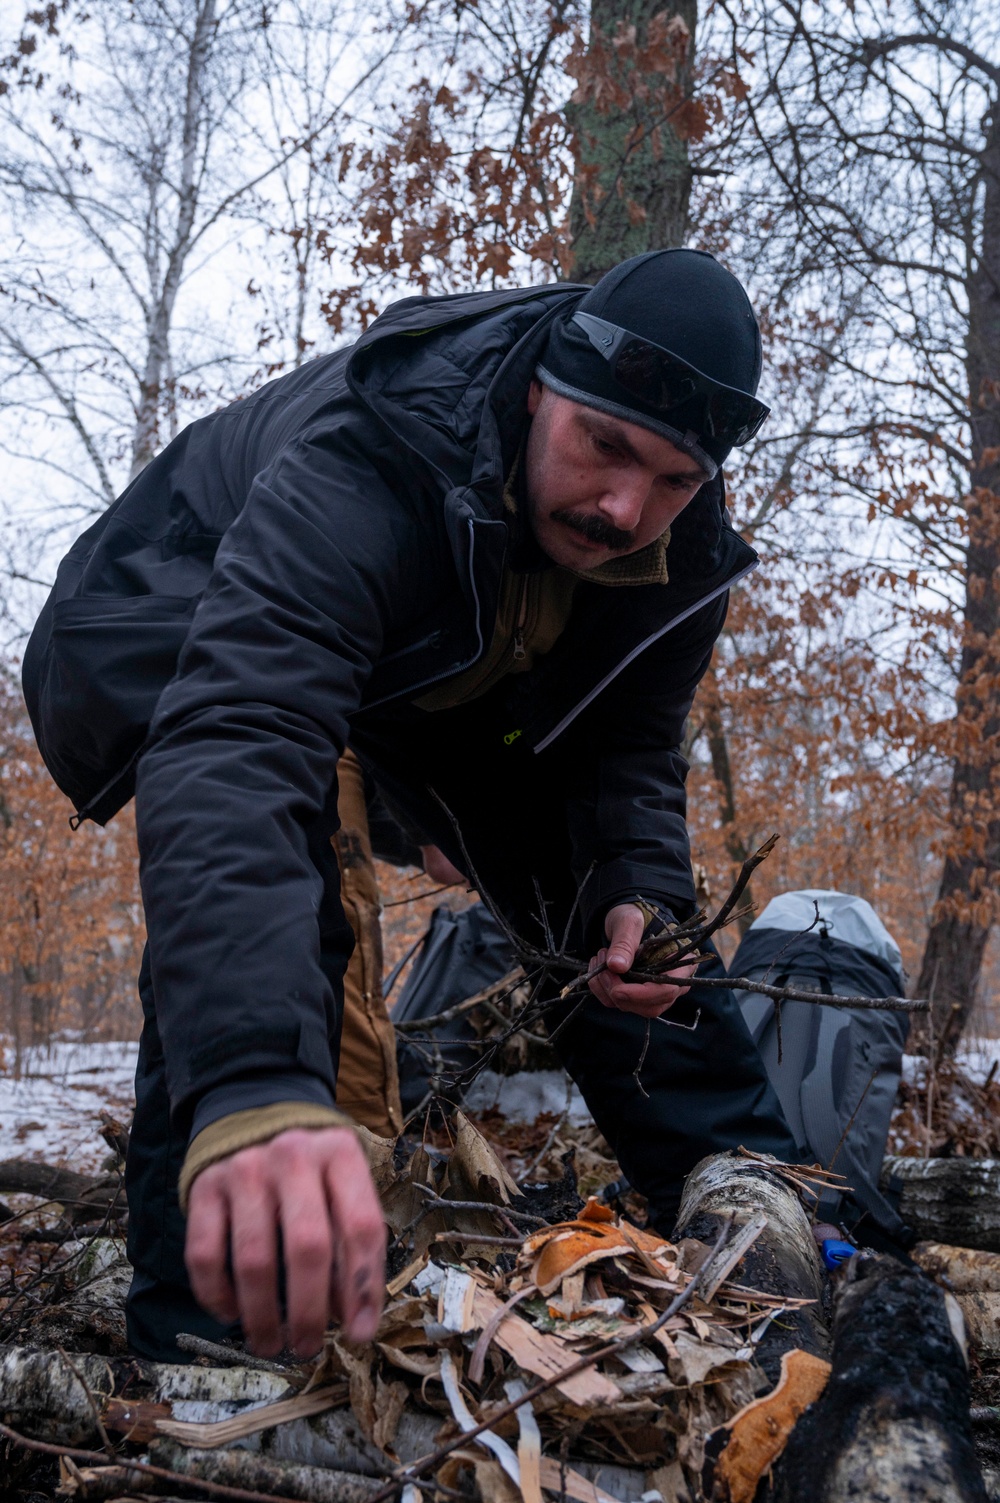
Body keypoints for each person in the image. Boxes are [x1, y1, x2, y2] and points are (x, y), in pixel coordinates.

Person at [23, 248, 800, 1362]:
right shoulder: (374, 454)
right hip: (168, 612)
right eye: (604, 448)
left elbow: (626, 747)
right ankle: (218, 1339)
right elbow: (244, 739)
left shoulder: (672, 545)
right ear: (541, 391)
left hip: (424, 665)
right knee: (300, 941)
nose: (627, 505)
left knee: (624, 928)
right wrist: (252, 1084)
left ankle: (776, 1228)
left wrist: (637, 885)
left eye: (673, 479)